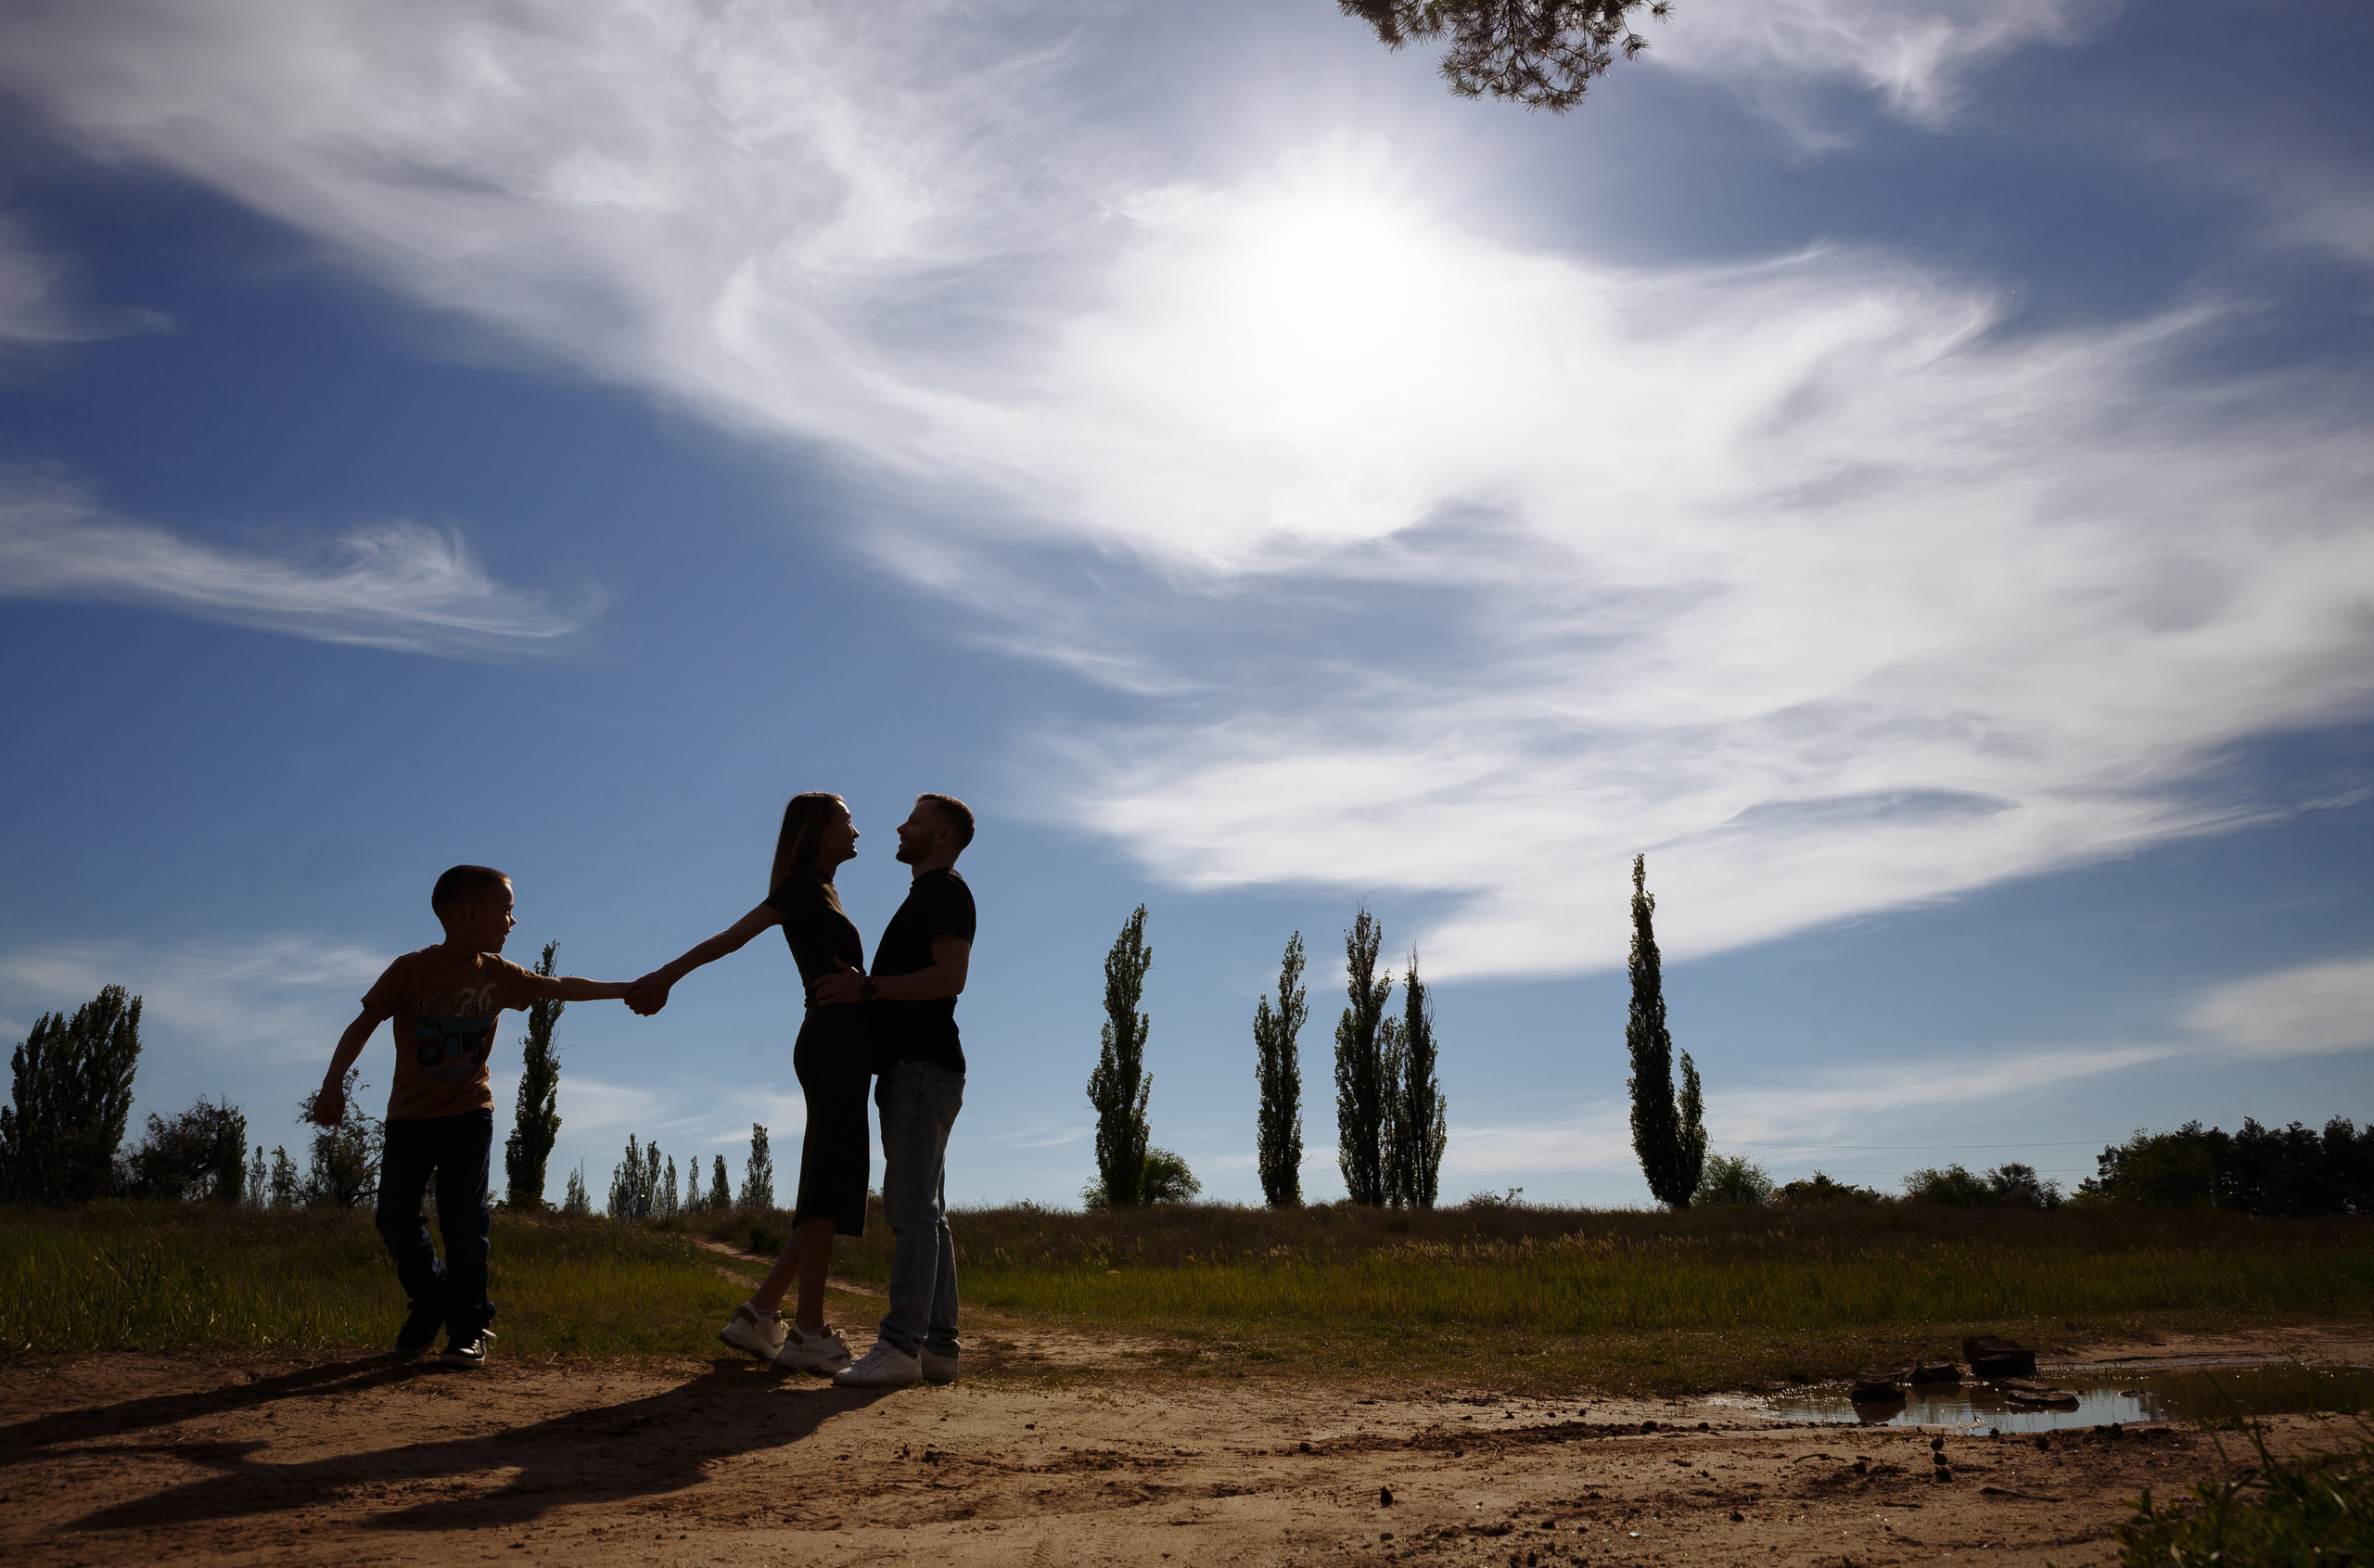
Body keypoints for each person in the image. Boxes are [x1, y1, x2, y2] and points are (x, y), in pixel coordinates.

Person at [313, 864, 634, 1367]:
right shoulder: (411, 969)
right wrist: (332, 1084)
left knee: (465, 1221)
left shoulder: (499, 975)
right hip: (409, 1119)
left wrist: (627, 988)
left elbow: (560, 987)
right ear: (470, 914)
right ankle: (432, 1297)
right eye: (506, 911)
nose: (513, 921)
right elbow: (363, 1025)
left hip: (469, 1116)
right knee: (394, 1217)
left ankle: (469, 1327)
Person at [625, 792, 872, 1374]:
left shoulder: (825, 890)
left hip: (844, 1049)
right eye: (847, 820)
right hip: (830, 1047)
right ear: (818, 833)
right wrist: (665, 977)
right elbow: (730, 939)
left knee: (830, 1186)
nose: (857, 829)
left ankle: (760, 1316)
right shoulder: (800, 887)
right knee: (825, 1185)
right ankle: (808, 1330)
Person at [813, 792, 976, 1389]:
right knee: (928, 1214)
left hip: (922, 1070)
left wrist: (869, 989)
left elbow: (949, 978)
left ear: (941, 837)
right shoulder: (926, 895)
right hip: (919, 1071)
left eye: (914, 821)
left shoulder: (945, 892)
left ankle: (900, 1346)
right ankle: (937, 1348)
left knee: (912, 1212)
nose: (900, 827)